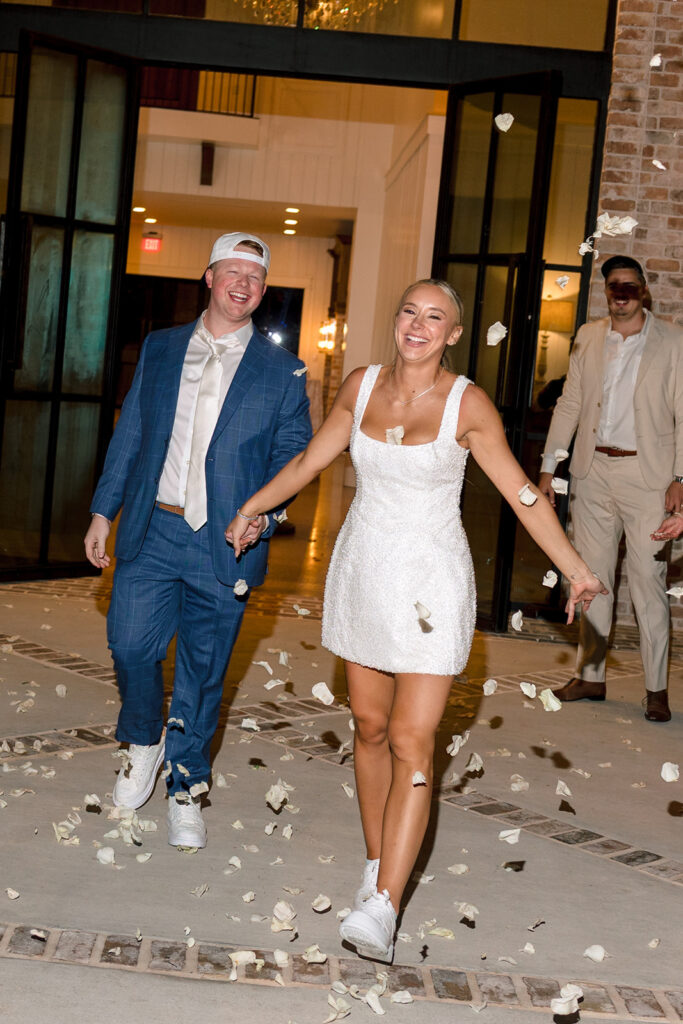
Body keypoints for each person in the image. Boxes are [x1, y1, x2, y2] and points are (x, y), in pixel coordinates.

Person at [226, 278, 605, 964]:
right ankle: (378, 866)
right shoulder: (362, 386)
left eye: (436, 318)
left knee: (410, 738)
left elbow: (521, 496)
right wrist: (255, 507)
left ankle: (384, 905)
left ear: (454, 335)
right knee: (368, 728)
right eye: (409, 311)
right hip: (363, 574)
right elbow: (313, 458)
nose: (419, 325)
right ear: (395, 320)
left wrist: (576, 570)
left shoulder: (468, 404)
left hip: (432, 585)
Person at [83, 232, 312, 849]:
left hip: (227, 540)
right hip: (154, 526)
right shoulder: (160, 349)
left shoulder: (283, 370)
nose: (243, 284)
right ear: (208, 277)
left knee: (204, 674)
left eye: (255, 278)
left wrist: (266, 517)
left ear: (263, 292)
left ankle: (186, 784)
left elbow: (294, 456)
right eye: (232, 271)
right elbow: (130, 433)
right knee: (129, 645)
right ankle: (143, 740)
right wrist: (105, 510)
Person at [538, 255, 683, 723]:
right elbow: (570, 403)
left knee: (648, 582)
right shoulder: (588, 336)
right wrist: (549, 467)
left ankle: (656, 688)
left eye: (629, 285)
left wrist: (681, 479)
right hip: (592, 471)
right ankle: (592, 675)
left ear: (643, 290)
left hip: (649, 479)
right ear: (606, 292)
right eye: (613, 286)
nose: (621, 293)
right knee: (591, 576)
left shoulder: (674, 342)